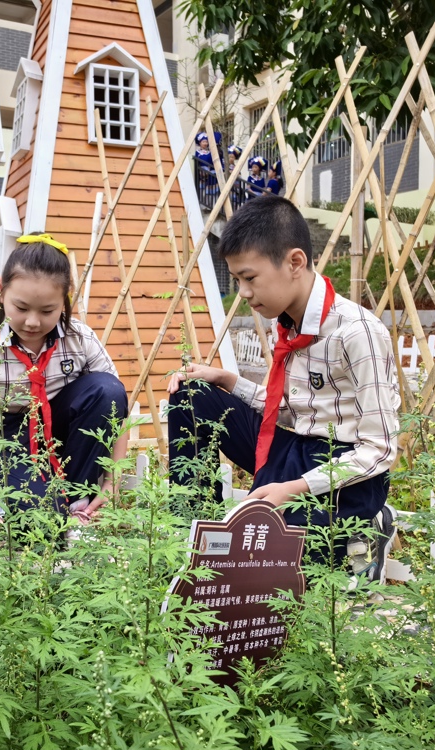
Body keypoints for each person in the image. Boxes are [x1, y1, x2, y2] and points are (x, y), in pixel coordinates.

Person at [166, 196, 399, 578]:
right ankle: (193, 530)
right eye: (237, 280)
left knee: (278, 571)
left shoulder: (357, 333)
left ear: (294, 263)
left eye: (249, 278)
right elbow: (289, 411)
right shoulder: (288, 324)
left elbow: (380, 448)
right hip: (298, 451)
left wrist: (293, 489)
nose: (242, 292)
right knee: (191, 398)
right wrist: (225, 380)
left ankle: (367, 529)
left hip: (346, 472)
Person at [0, 233, 129, 529]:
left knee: (107, 389)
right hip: (4, 434)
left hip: (57, 427)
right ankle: (34, 501)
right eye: (21, 308)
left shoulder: (80, 339)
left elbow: (116, 410)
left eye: (48, 311)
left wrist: (112, 485)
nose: (32, 322)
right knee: (40, 518)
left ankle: (78, 498)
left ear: (65, 299)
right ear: (1, 290)